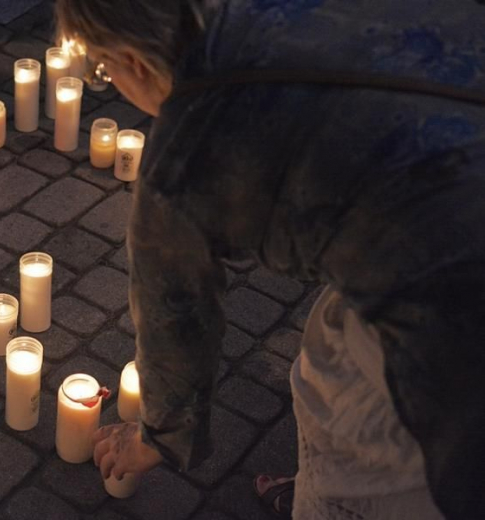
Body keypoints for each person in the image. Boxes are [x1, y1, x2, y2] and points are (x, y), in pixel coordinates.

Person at [56, 0, 485, 518]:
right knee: (334, 349)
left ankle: (343, 497)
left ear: (134, 61)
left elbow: (177, 320)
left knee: (374, 438)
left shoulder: (183, 157)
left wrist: (158, 437)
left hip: (459, 303)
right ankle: (325, 478)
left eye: (103, 69)